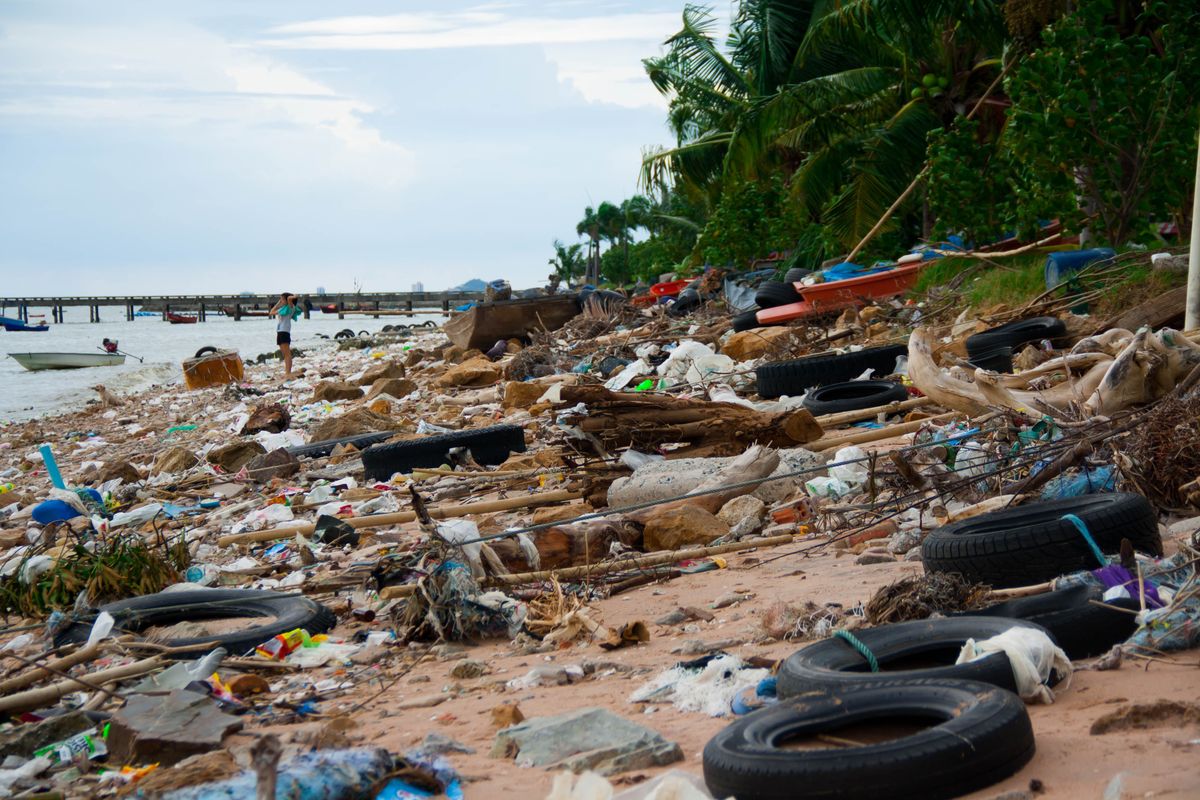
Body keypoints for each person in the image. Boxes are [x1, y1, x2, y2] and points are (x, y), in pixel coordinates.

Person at [269, 292, 301, 376]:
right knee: (284, 354)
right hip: (279, 331)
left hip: (284, 332)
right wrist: (278, 303)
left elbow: (290, 299)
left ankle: (288, 373)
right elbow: (271, 312)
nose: (281, 300)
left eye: (282, 299)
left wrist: (295, 296)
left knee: (287, 354)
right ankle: (287, 372)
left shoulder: (291, 307)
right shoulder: (283, 309)